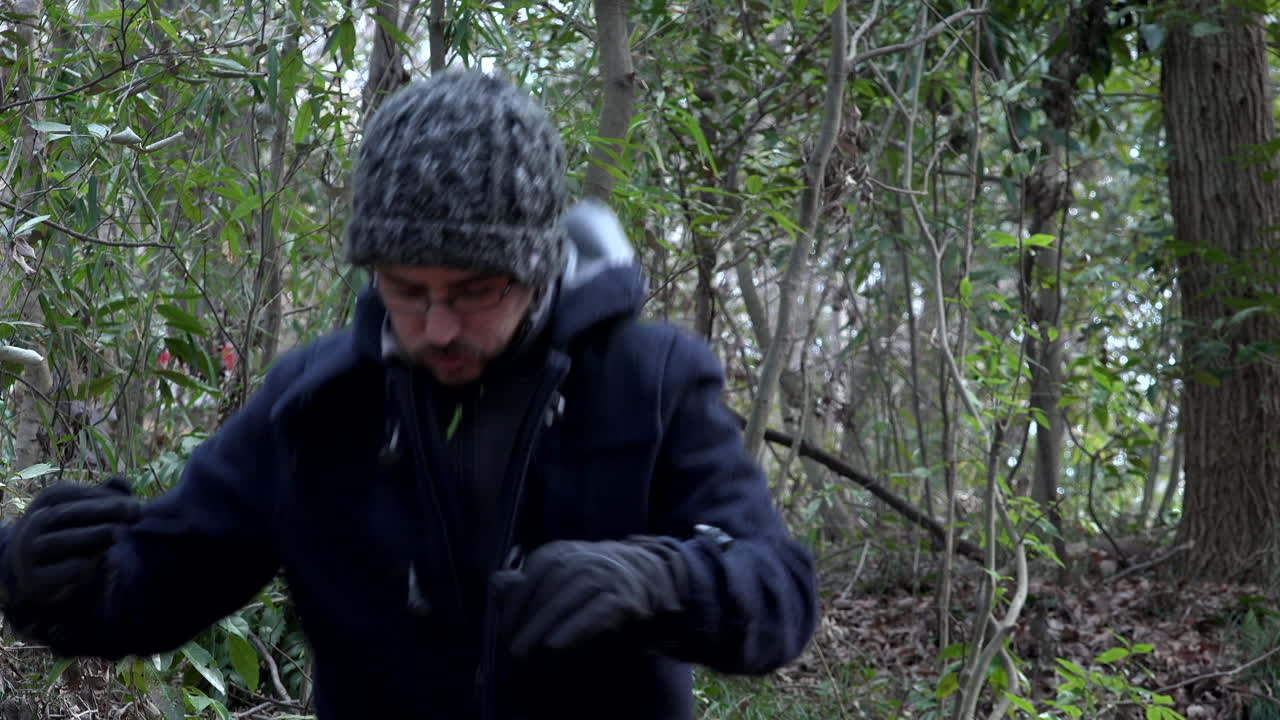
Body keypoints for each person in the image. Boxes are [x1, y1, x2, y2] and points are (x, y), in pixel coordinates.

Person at [0, 69, 818, 719]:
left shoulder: (652, 381)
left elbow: (777, 594)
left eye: (472, 292)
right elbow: (152, 590)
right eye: (403, 288)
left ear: (536, 269)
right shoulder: (315, 409)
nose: (435, 327)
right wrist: (42, 577)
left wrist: (661, 579)